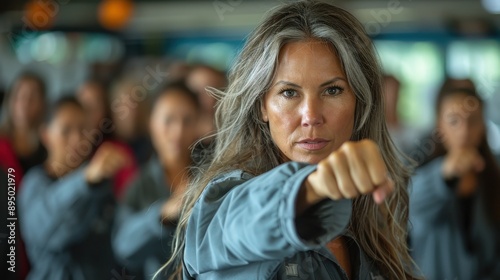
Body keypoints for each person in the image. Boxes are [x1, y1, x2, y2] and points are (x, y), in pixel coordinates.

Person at [156, 1, 417, 279]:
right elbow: (245, 220)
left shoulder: (372, 215)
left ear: (359, 103)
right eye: (289, 93)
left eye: (332, 90)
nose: (311, 116)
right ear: (262, 106)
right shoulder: (224, 206)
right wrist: (311, 186)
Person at [18, 96, 128, 280]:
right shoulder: (35, 183)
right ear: (46, 134)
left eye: (83, 130)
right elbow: (43, 230)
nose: (77, 139)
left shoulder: (99, 183)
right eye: (66, 130)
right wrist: (84, 180)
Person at [409, 87, 500, 280]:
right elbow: (411, 204)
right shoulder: (421, 170)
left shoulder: (492, 178)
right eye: (453, 121)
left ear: (483, 126)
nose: (464, 130)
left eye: (473, 121)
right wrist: (445, 174)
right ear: (439, 126)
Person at [113, 82, 200, 280]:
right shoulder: (138, 186)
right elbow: (123, 247)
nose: (178, 131)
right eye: (168, 120)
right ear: (151, 122)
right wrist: (162, 215)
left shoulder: (212, 173)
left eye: (187, 120)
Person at [77, 79, 138, 198]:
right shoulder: (66, 147)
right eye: (83, 105)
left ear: (105, 112)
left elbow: (129, 198)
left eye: (95, 106)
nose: (87, 112)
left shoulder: (118, 151)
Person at [0, 72, 47, 179]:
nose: (25, 103)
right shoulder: (2, 143)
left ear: (42, 104)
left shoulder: (48, 143)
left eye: (32, 97)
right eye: (20, 96)